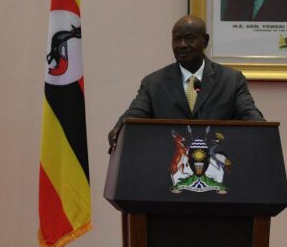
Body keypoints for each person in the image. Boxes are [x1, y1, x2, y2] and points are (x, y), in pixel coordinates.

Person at [107, 15, 263, 152]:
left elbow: (249, 114)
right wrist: (118, 129)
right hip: (168, 166)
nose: (181, 44)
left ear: (205, 41)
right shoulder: (154, 83)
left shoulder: (231, 80)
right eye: (177, 39)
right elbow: (135, 114)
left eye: (189, 38)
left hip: (217, 166)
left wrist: (265, 132)